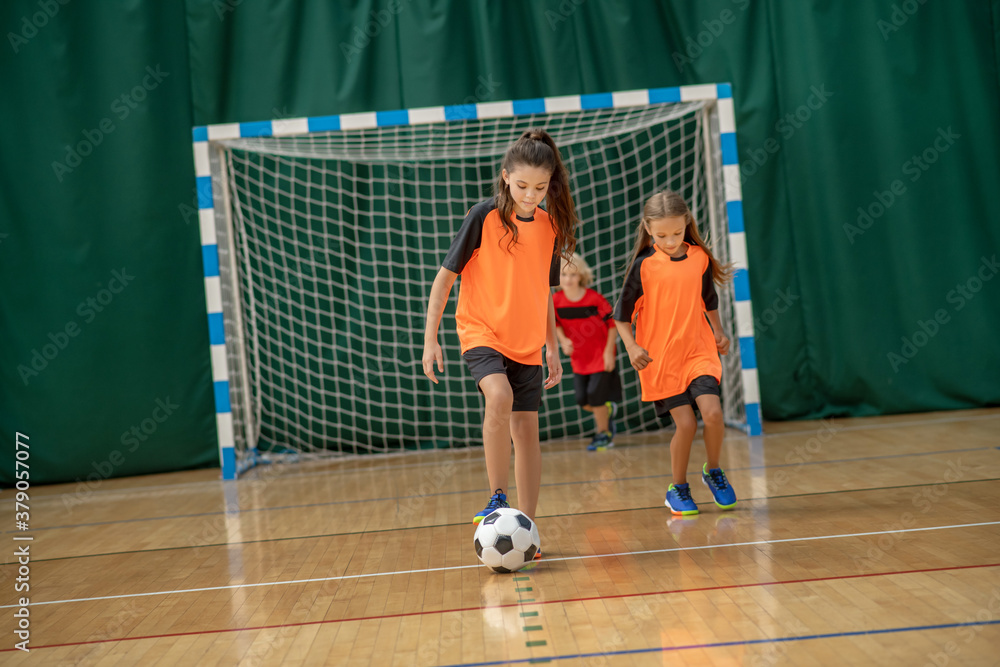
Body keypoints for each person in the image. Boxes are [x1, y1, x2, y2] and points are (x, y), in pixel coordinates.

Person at [422, 128, 578, 530]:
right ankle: (497, 495)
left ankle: (527, 525)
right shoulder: (483, 216)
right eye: (523, 184)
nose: (530, 194)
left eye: (540, 187)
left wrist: (551, 346)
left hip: (527, 341)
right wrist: (430, 339)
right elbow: (444, 280)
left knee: (527, 430)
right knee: (499, 395)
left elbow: (545, 291)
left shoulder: (550, 228)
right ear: (506, 175)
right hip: (482, 331)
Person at [612, 190, 738, 516]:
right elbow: (621, 317)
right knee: (686, 425)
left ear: (687, 224)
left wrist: (719, 331)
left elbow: (709, 299)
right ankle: (677, 488)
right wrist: (632, 346)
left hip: (699, 350)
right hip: (661, 360)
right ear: (648, 228)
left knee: (712, 414)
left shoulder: (699, 259)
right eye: (661, 234)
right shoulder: (644, 267)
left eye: (677, 233)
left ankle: (714, 471)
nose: (670, 240)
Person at [553, 253, 623, 451]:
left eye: (573, 275)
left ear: (582, 276)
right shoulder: (556, 301)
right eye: (564, 274)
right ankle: (606, 411)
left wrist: (609, 352)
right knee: (582, 400)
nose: (568, 279)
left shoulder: (594, 298)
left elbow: (612, 324)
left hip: (600, 356)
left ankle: (604, 434)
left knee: (595, 396)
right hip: (579, 360)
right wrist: (563, 340)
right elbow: (555, 324)